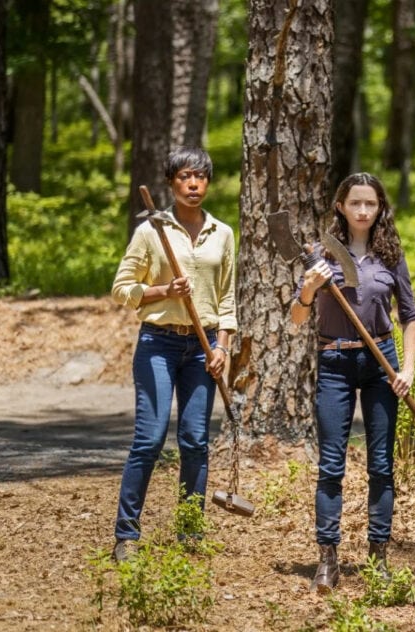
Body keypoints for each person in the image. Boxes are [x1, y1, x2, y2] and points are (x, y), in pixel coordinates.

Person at [290, 172, 415, 594]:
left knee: (381, 464)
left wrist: (408, 369)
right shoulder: (320, 255)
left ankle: (378, 557)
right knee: (331, 465)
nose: (364, 211)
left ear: (380, 208)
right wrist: (309, 291)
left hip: (382, 361)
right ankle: (327, 559)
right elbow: (296, 319)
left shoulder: (390, 254)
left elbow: (410, 315)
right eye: (356, 203)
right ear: (340, 207)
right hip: (334, 360)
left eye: (371, 204)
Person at [110, 146, 237, 561]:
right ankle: (126, 536)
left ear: (208, 182)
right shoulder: (152, 230)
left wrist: (224, 349)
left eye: (200, 177)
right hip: (158, 343)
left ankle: (190, 533)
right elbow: (122, 288)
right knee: (149, 438)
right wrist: (164, 290)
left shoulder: (223, 233)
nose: (193, 184)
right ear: (172, 183)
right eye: (185, 177)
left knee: (196, 440)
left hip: (203, 347)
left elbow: (228, 300)